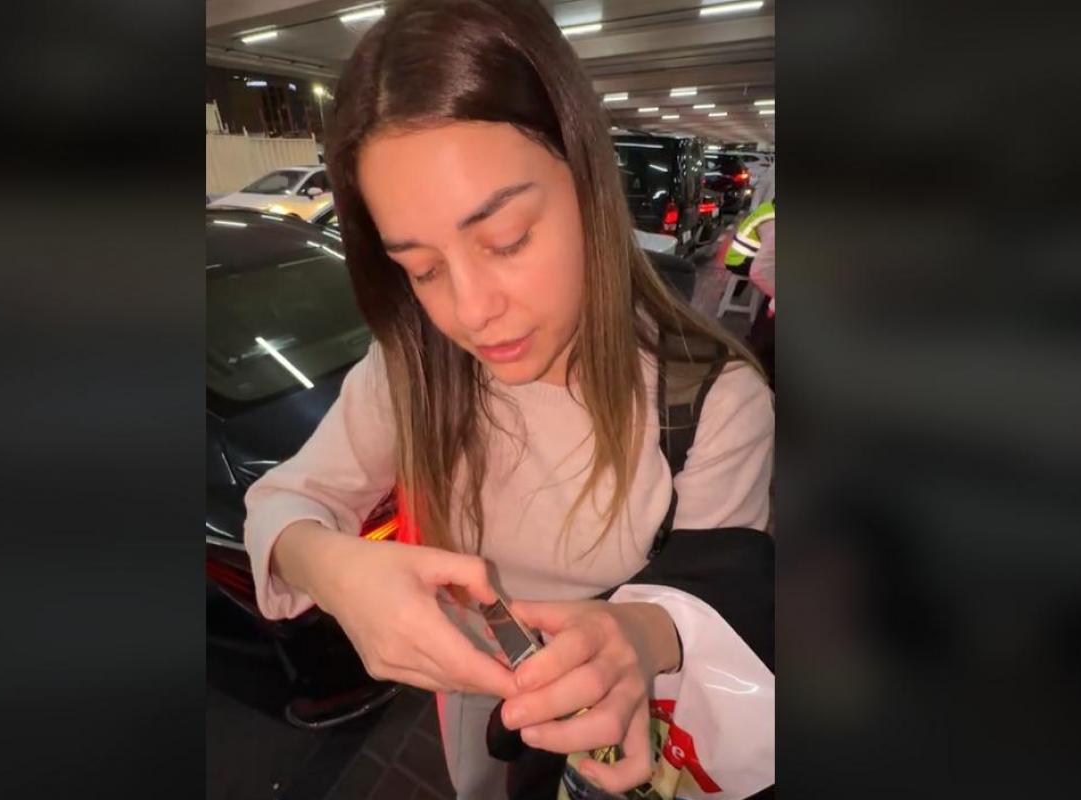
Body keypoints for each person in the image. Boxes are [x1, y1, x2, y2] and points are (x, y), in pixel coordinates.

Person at [242, 1, 775, 797]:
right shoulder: (417, 368)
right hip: (473, 722)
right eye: (422, 269)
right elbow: (279, 505)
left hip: (620, 739)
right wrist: (333, 568)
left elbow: (722, 594)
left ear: (588, 184)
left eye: (507, 240)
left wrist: (635, 633)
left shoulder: (713, 403)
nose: (470, 311)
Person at [724, 199, 776, 388]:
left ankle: (757, 337)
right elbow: (759, 271)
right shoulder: (773, 222)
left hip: (740, 256)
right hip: (740, 260)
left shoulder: (767, 209)